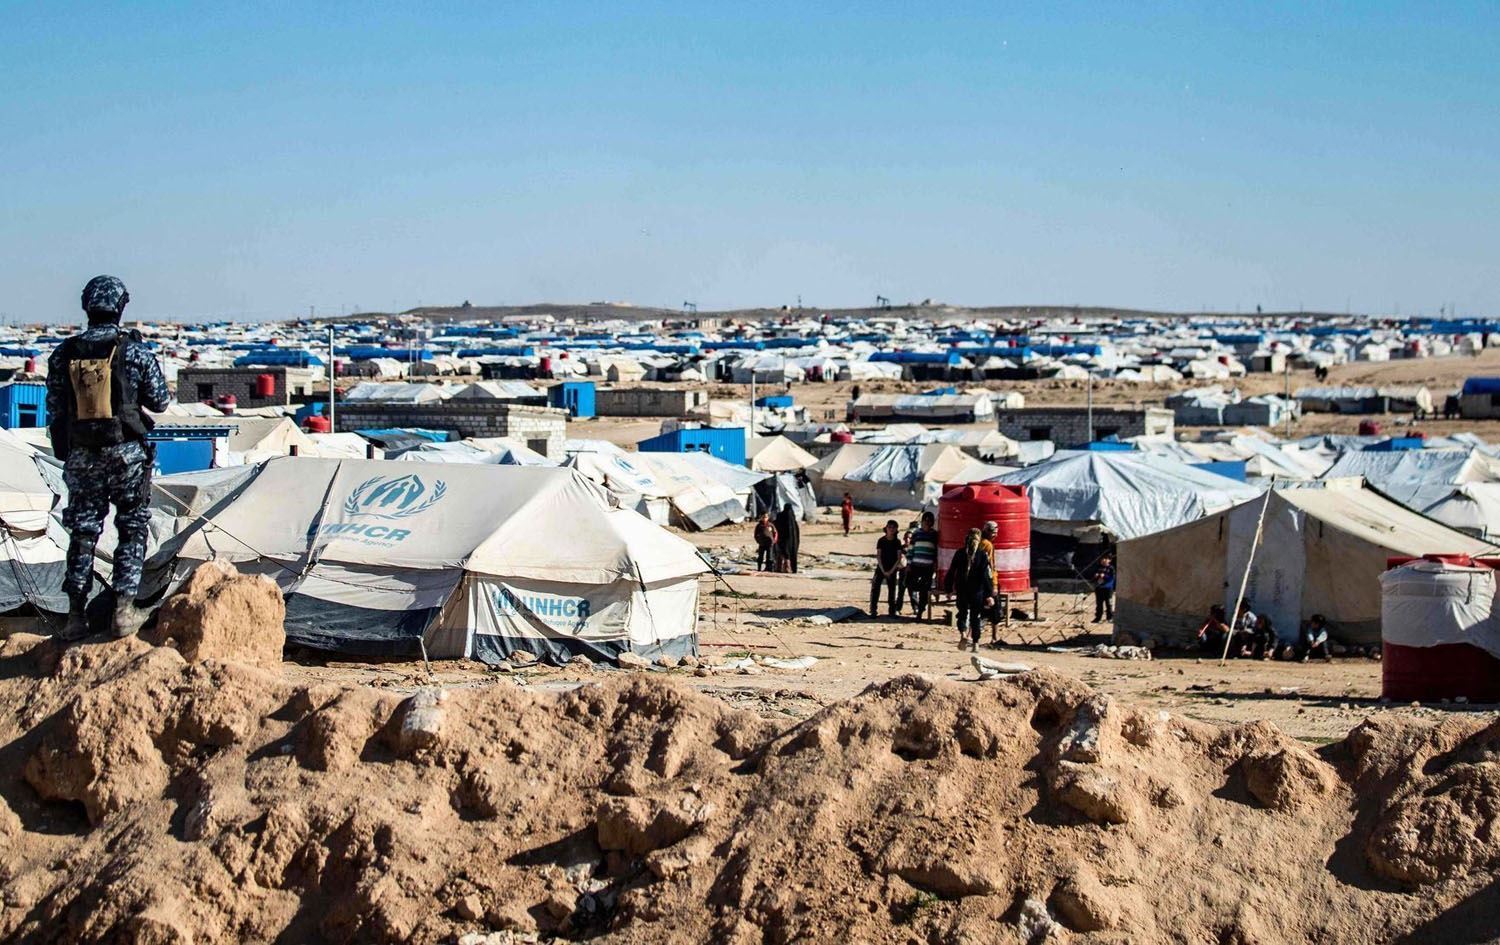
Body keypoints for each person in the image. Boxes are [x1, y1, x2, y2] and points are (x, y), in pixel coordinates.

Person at [48, 276, 171, 640]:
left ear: (88, 307)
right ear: (120, 307)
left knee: (83, 533)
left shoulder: (64, 354)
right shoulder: (133, 351)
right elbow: (160, 401)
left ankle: (74, 616)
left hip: (82, 457)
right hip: (127, 456)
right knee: (132, 528)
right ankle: (122, 610)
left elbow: (55, 409)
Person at [944, 527, 995, 652]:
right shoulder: (982, 555)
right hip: (977, 591)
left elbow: (951, 572)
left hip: (962, 589)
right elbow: (986, 576)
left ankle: (963, 635)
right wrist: (989, 594)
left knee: (962, 614)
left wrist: (948, 589)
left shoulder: (960, 553)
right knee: (975, 617)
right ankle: (975, 644)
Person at [903, 511, 939, 620]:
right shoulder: (916, 533)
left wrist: (935, 564)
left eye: (930, 521)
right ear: (922, 522)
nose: (927, 523)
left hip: (928, 567)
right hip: (915, 565)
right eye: (925, 520)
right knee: (911, 586)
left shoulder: (935, 535)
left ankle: (921, 611)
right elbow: (911, 549)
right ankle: (915, 605)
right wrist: (908, 563)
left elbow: (937, 551)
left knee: (925, 589)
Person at [869, 519, 904, 618]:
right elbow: (878, 556)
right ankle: (873, 610)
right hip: (881, 567)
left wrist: (891, 571)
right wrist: (883, 570)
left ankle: (892, 611)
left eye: (893, 527)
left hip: (892, 568)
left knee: (892, 590)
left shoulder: (897, 542)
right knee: (875, 588)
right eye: (889, 527)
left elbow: (899, 558)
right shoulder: (881, 540)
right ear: (886, 528)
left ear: (896, 529)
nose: (891, 529)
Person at [775, 502, 800, 574]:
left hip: (783, 539)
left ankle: (783, 568)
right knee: (787, 554)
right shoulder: (792, 519)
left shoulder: (781, 516)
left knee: (782, 553)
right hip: (791, 541)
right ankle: (787, 568)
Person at [1090, 553, 1116, 623]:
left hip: (1108, 589)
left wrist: (1104, 576)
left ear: (1109, 560)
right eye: (1102, 559)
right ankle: (1098, 618)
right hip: (1099, 588)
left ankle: (1109, 617)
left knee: (1108, 604)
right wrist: (1095, 577)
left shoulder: (1111, 568)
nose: (1103, 560)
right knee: (1099, 604)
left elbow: (1112, 578)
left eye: (1106, 559)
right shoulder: (1098, 567)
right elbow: (1093, 578)